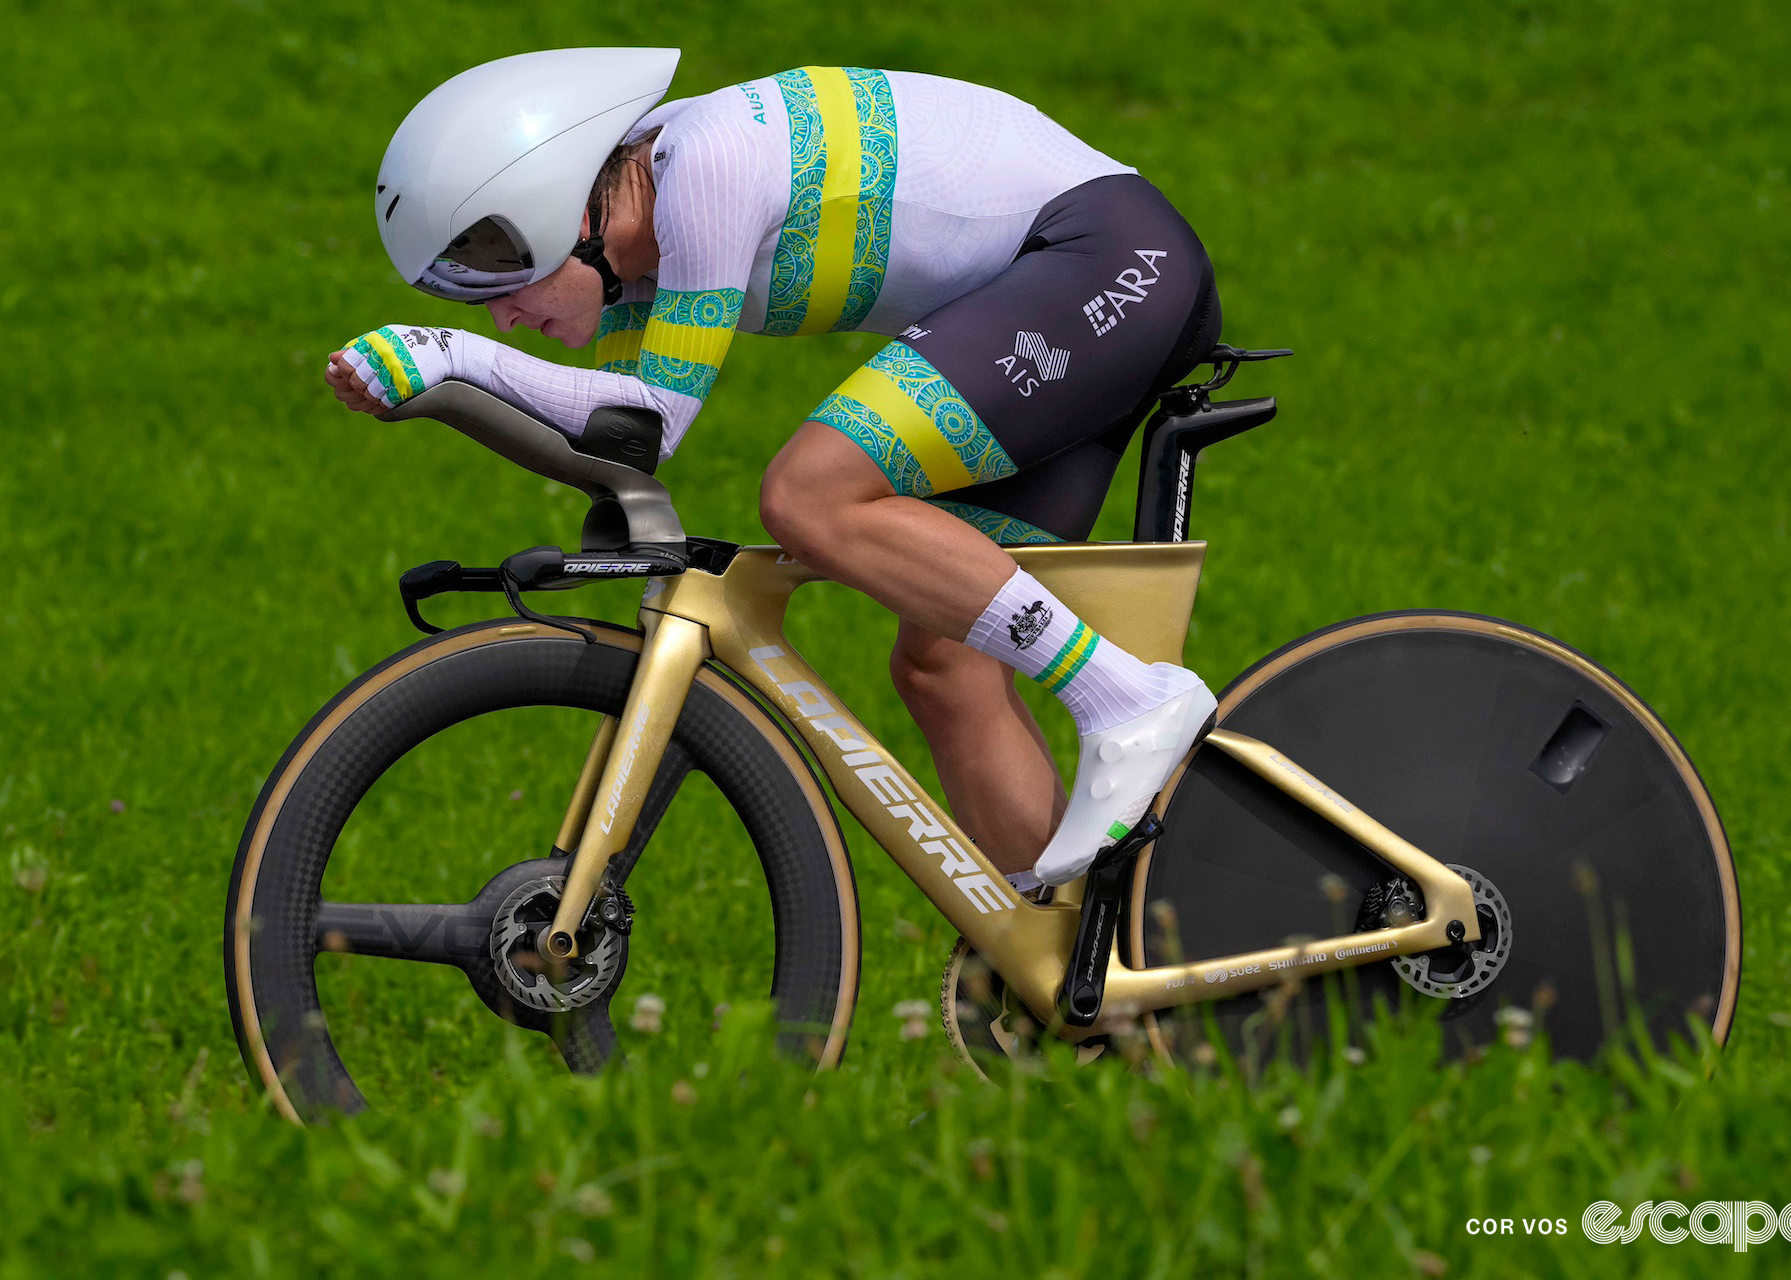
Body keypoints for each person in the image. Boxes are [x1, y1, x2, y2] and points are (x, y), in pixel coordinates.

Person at [326, 48, 1222, 889]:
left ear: (567, 211)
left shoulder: (702, 169)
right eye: (469, 303)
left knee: (809, 493)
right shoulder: (638, 256)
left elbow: (657, 416)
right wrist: (436, 390)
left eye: (499, 280)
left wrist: (448, 357)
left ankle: (1128, 699)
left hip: (1104, 258)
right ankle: (1079, 977)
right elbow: (621, 435)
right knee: (946, 667)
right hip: (1069, 286)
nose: (504, 321)